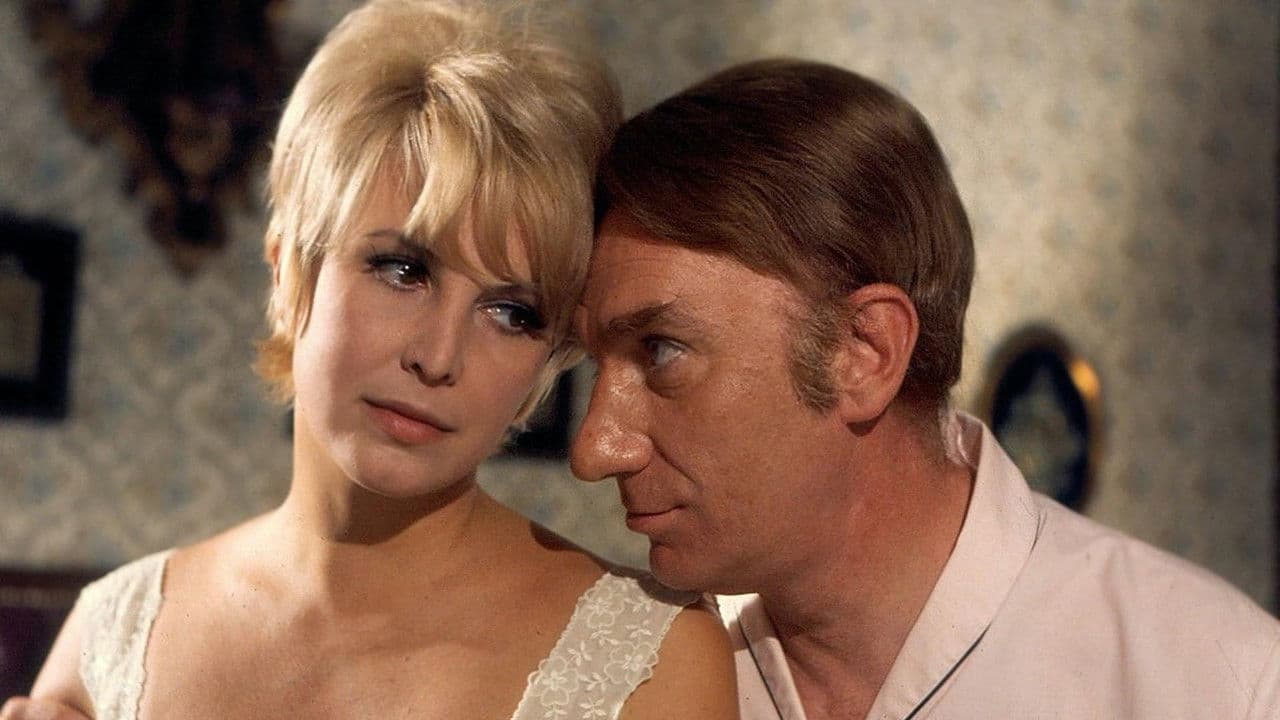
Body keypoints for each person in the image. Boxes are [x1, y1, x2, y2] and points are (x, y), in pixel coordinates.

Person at [0, 2, 738, 718]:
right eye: (403, 270)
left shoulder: (654, 666)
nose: (439, 357)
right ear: (291, 272)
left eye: (512, 313)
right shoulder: (112, 638)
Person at [571, 57, 1280, 720]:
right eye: (596, 365)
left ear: (865, 352)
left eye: (661, 351)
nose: (595, 449)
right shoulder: (613, 672)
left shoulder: (1218, 683)